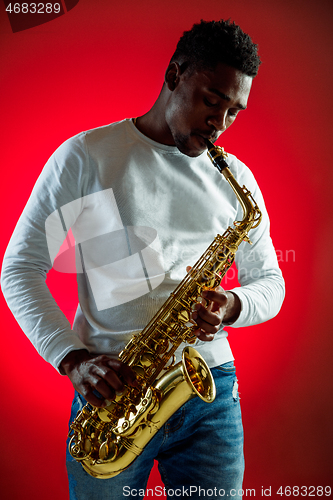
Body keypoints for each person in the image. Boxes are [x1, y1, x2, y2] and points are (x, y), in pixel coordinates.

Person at [1, 19, 285, 499]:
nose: (219, 124)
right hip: (112, 395)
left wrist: (232, 305)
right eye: (211, 101)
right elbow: (19, 269)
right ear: (176, 75)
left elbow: (270, 281)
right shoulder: (87, 157)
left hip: (208, 395)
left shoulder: (237, 180)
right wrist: (71, 358)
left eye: (234, 112)